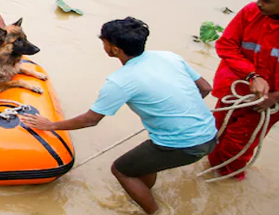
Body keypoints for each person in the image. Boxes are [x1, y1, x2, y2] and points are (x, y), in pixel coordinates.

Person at [22, 17, 216, 215]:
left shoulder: (120, 81)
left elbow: (90, 120)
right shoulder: (169, 56)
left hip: (183, 145)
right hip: (210, 135)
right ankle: (145, 193)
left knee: (121, 170)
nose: (102, 44)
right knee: (143, 161)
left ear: (114, 49)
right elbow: (205, 88)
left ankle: (156, 212)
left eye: (104, 41)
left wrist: (50, 125)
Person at [208, 0, 279, 180]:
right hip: (235, 91)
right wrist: (252, 76)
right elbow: (226, 44)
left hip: (265, 103)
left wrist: (275, 97)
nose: (259, 3)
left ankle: (228, 182)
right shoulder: (251, 13)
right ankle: (213, 174)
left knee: (237, 147)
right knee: (214, 135)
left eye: (266, 0)